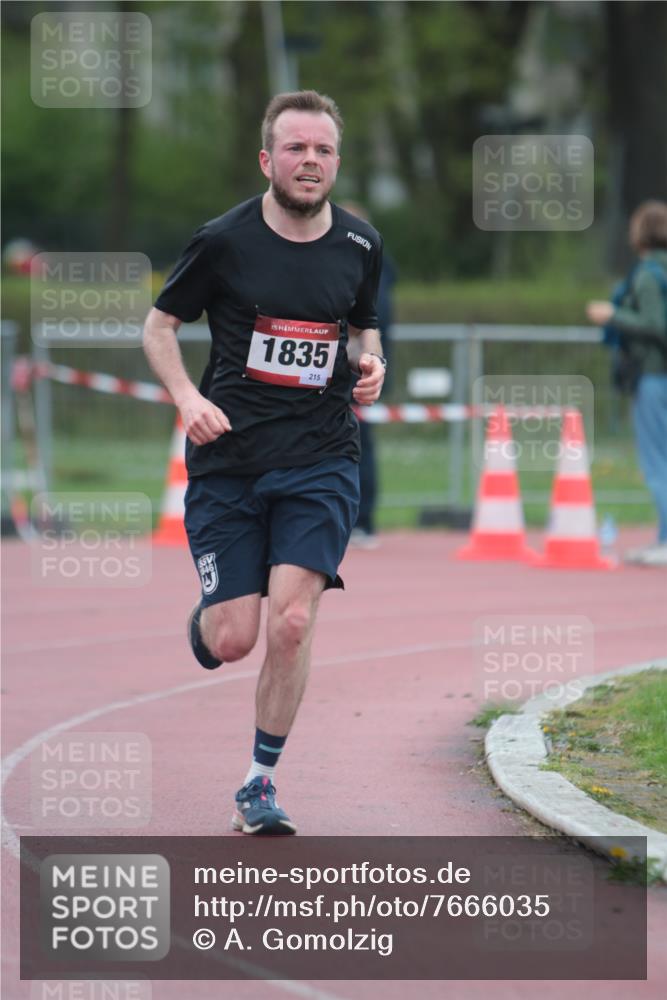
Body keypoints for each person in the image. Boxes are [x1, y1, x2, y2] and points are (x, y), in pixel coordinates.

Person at [143, 90, 386, 834]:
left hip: (319, 459)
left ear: (336, 162)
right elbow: (159, 327)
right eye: (294, 149)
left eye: (322, 150)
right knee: (234, 638)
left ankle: (259, 781)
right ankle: (213, 618)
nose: (309, 161)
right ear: (267, 160)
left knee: (289, 622)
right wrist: (187, 397)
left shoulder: (361, 244)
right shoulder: (222, 241)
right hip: (229, 463)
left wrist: (371, 363)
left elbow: (363, 326)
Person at [586, 200, 667, 567]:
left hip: (654, 375)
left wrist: (613, 314)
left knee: (657, 462)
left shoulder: (649, 274)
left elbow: (654, 325)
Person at [340, 202, 397, 549]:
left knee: (358, 441)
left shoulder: (374, 268)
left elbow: (376, 320)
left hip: (359, 372)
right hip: (326, 373)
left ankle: (362, 520)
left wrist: (365, 356)